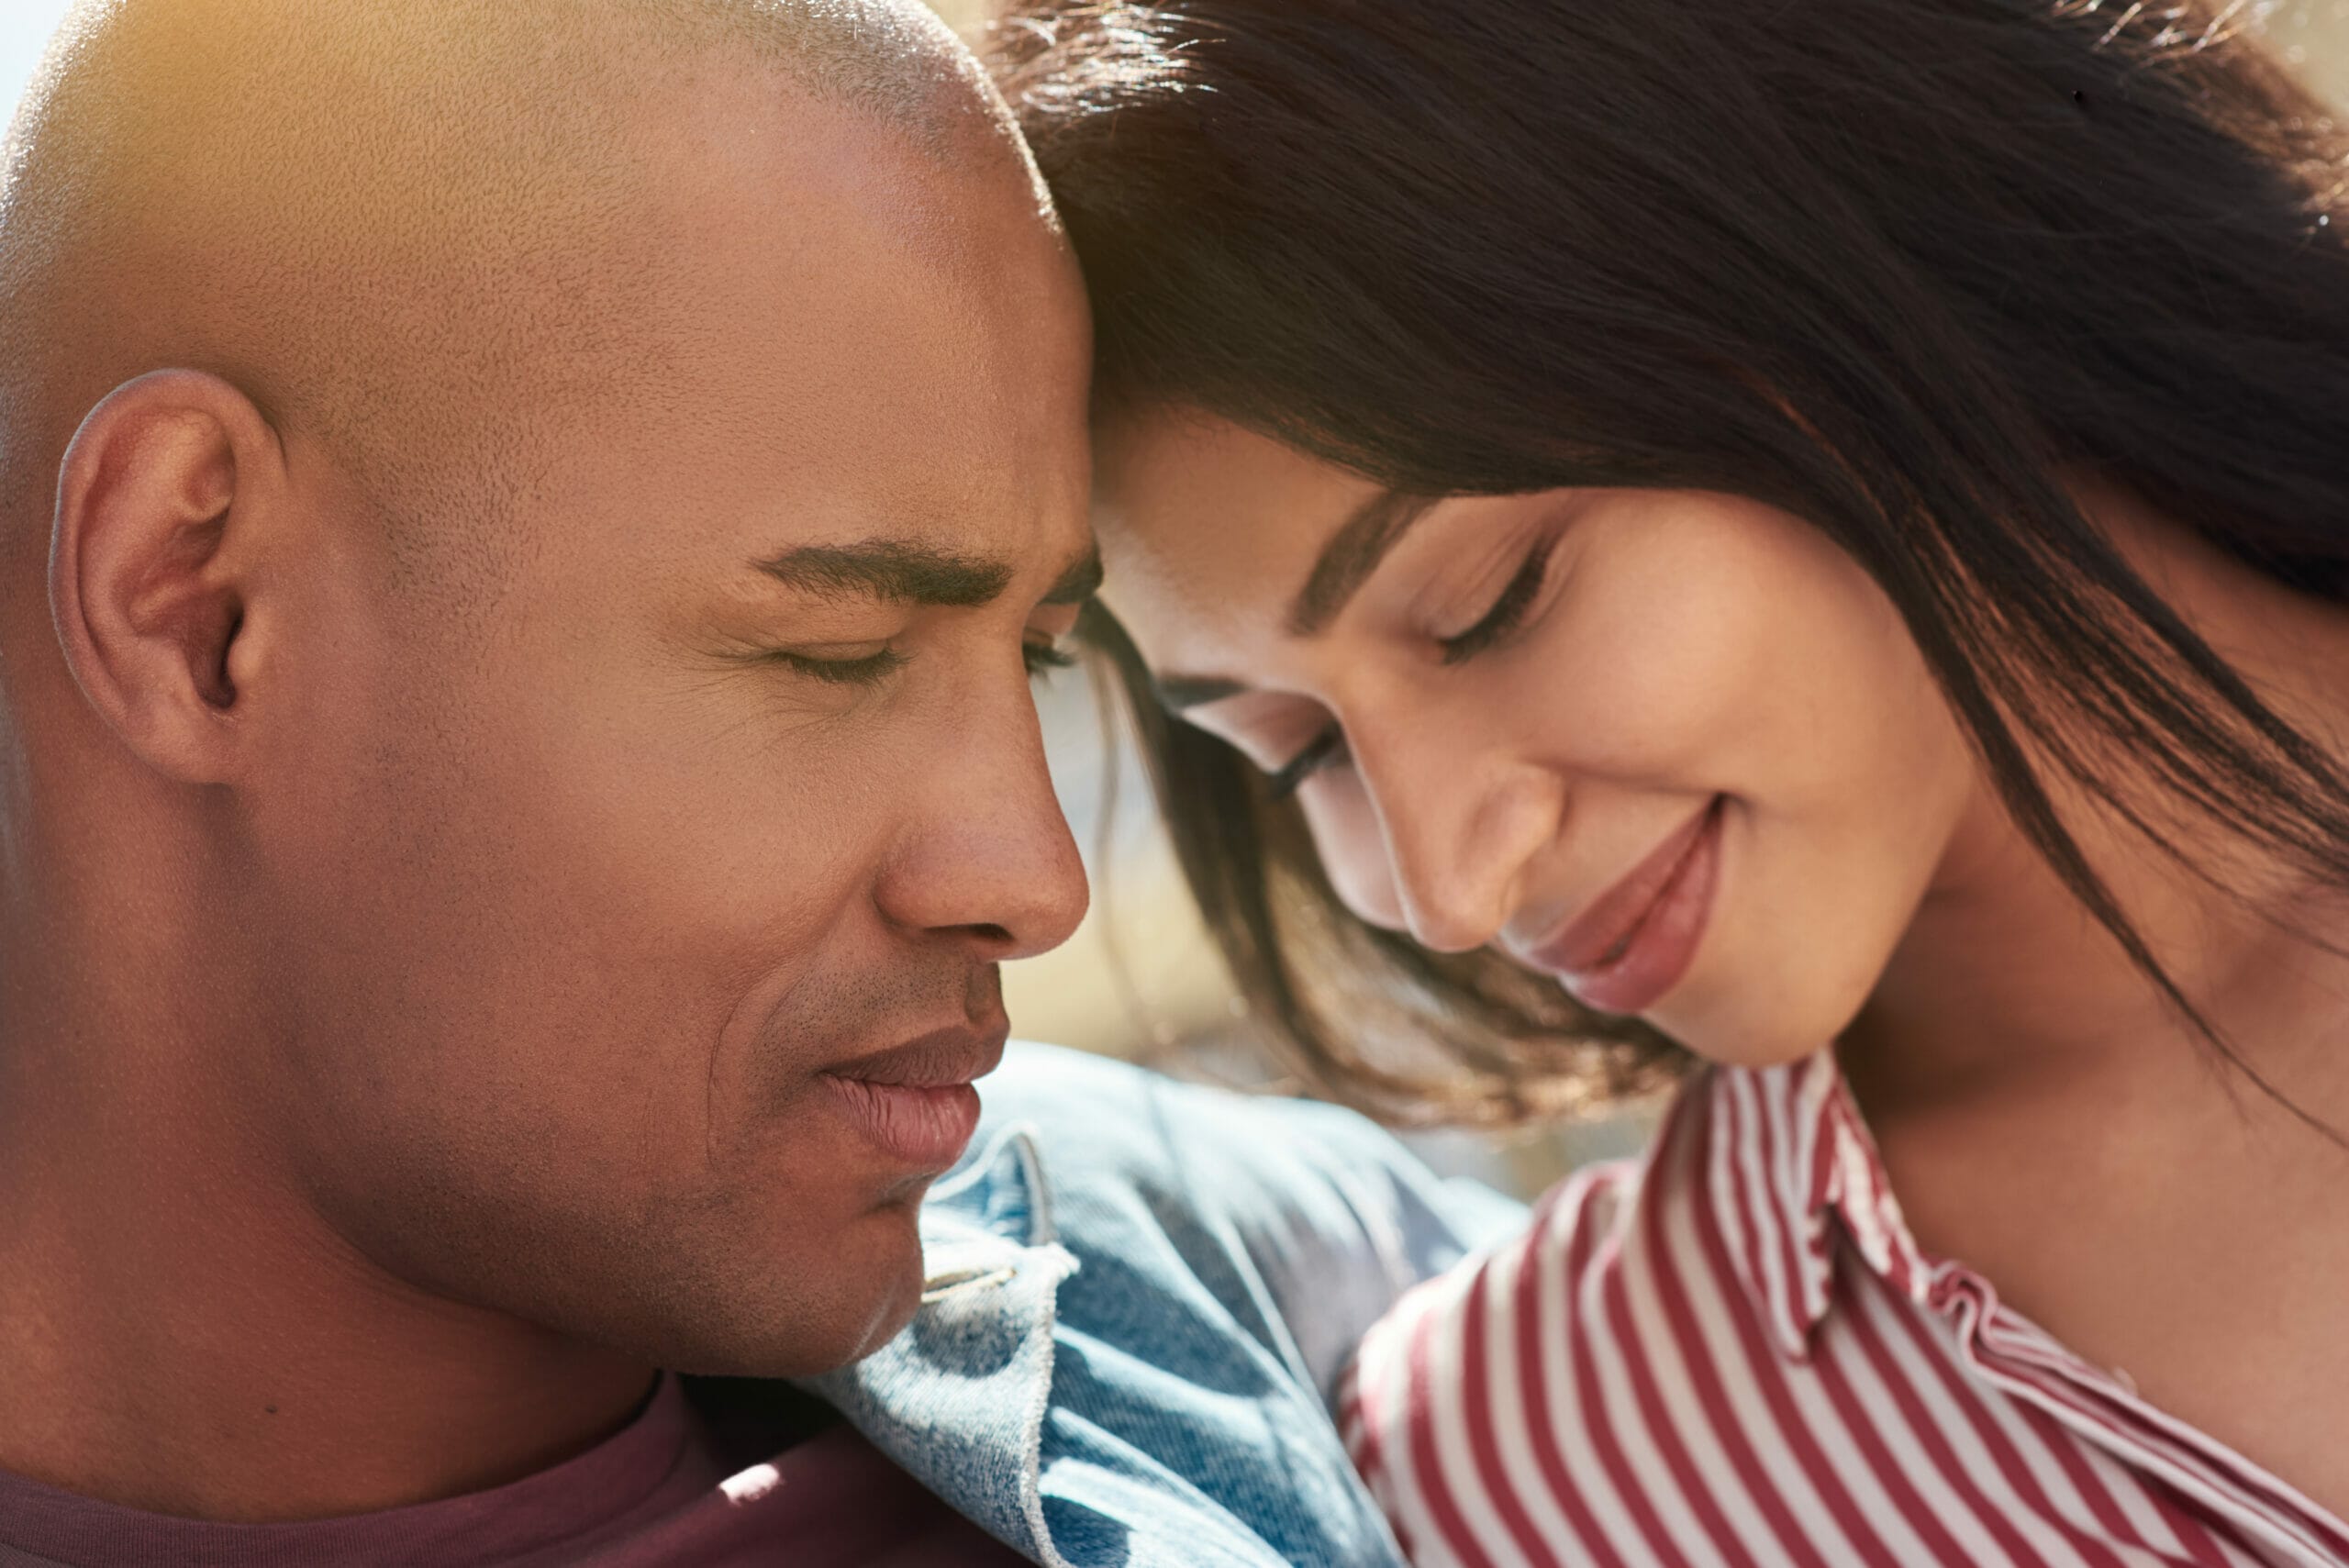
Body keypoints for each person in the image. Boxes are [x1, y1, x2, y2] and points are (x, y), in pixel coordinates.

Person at [0, 2, 1511, 1563]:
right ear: (198, 606)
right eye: (834, 654)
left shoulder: (1209, 1255)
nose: (1035, 877)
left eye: (1040, 658)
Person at [989, 0, 2349, 1561]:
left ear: (1835, 275)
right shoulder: (1526, 1483)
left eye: (1489, 606)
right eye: (1295, 746)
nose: (1449, 888)